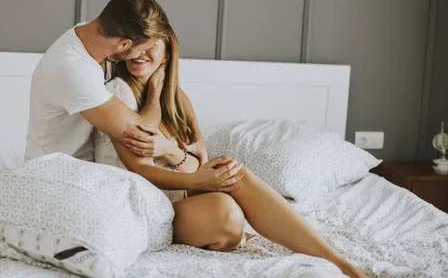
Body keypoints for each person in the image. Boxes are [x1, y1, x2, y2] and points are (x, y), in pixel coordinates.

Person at [92, 27, 367, 278]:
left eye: (150, 44)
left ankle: (339, 264)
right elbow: (144, 167)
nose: (139, 52)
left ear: (167, 51)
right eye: (135, 43)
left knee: (232, 173)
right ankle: (243, 235)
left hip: (178, 200)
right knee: (226, 212)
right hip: (141, 208)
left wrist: (170, 151)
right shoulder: (117, 93)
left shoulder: (176, 97)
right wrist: (154, 91)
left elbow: (192, 166)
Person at [25, 0, 243, 195]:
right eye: (140, 49)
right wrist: (155, 89)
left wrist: (197, 135)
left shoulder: (97, 35)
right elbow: (143, 133)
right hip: (53, 180)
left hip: (87, 175)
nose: (139, 56)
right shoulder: (73, 69)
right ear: (123, 44)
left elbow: (174, 89)